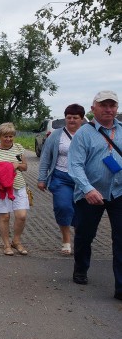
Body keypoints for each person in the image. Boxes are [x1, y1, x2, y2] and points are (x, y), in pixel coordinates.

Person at [67, 91, 122, 300]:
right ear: (93, 108)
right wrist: (87, 189)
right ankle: (81, 267)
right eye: (104, 105)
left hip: (119, 192)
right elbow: (75, 165)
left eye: (112, 105)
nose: (108, 109)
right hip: (90, 193)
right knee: (85, 234)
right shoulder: (83, 133)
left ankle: (121, 287)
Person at [37, 104, 85, 255]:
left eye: (75, 118)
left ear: (82, 119)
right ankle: (66, 240)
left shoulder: (87, 134)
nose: (71, 120)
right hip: (60, 177)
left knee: (81, 211)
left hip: (83, 180)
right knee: (63, 206)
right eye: (68, 117)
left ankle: (80, 241)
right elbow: (45, 157)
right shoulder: (56, 135)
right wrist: (42, 178)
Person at [0, 122, 30, 256]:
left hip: (18, 185)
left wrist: (17, 165)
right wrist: (6, 167)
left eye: (11, 136)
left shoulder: (18, 148)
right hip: (1, 188)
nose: (8, 139)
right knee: (4, 216)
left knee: (21, 216)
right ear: (0, 136)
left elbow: (25, 166)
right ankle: (6, 244)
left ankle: (16, 241)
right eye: (5, 136)